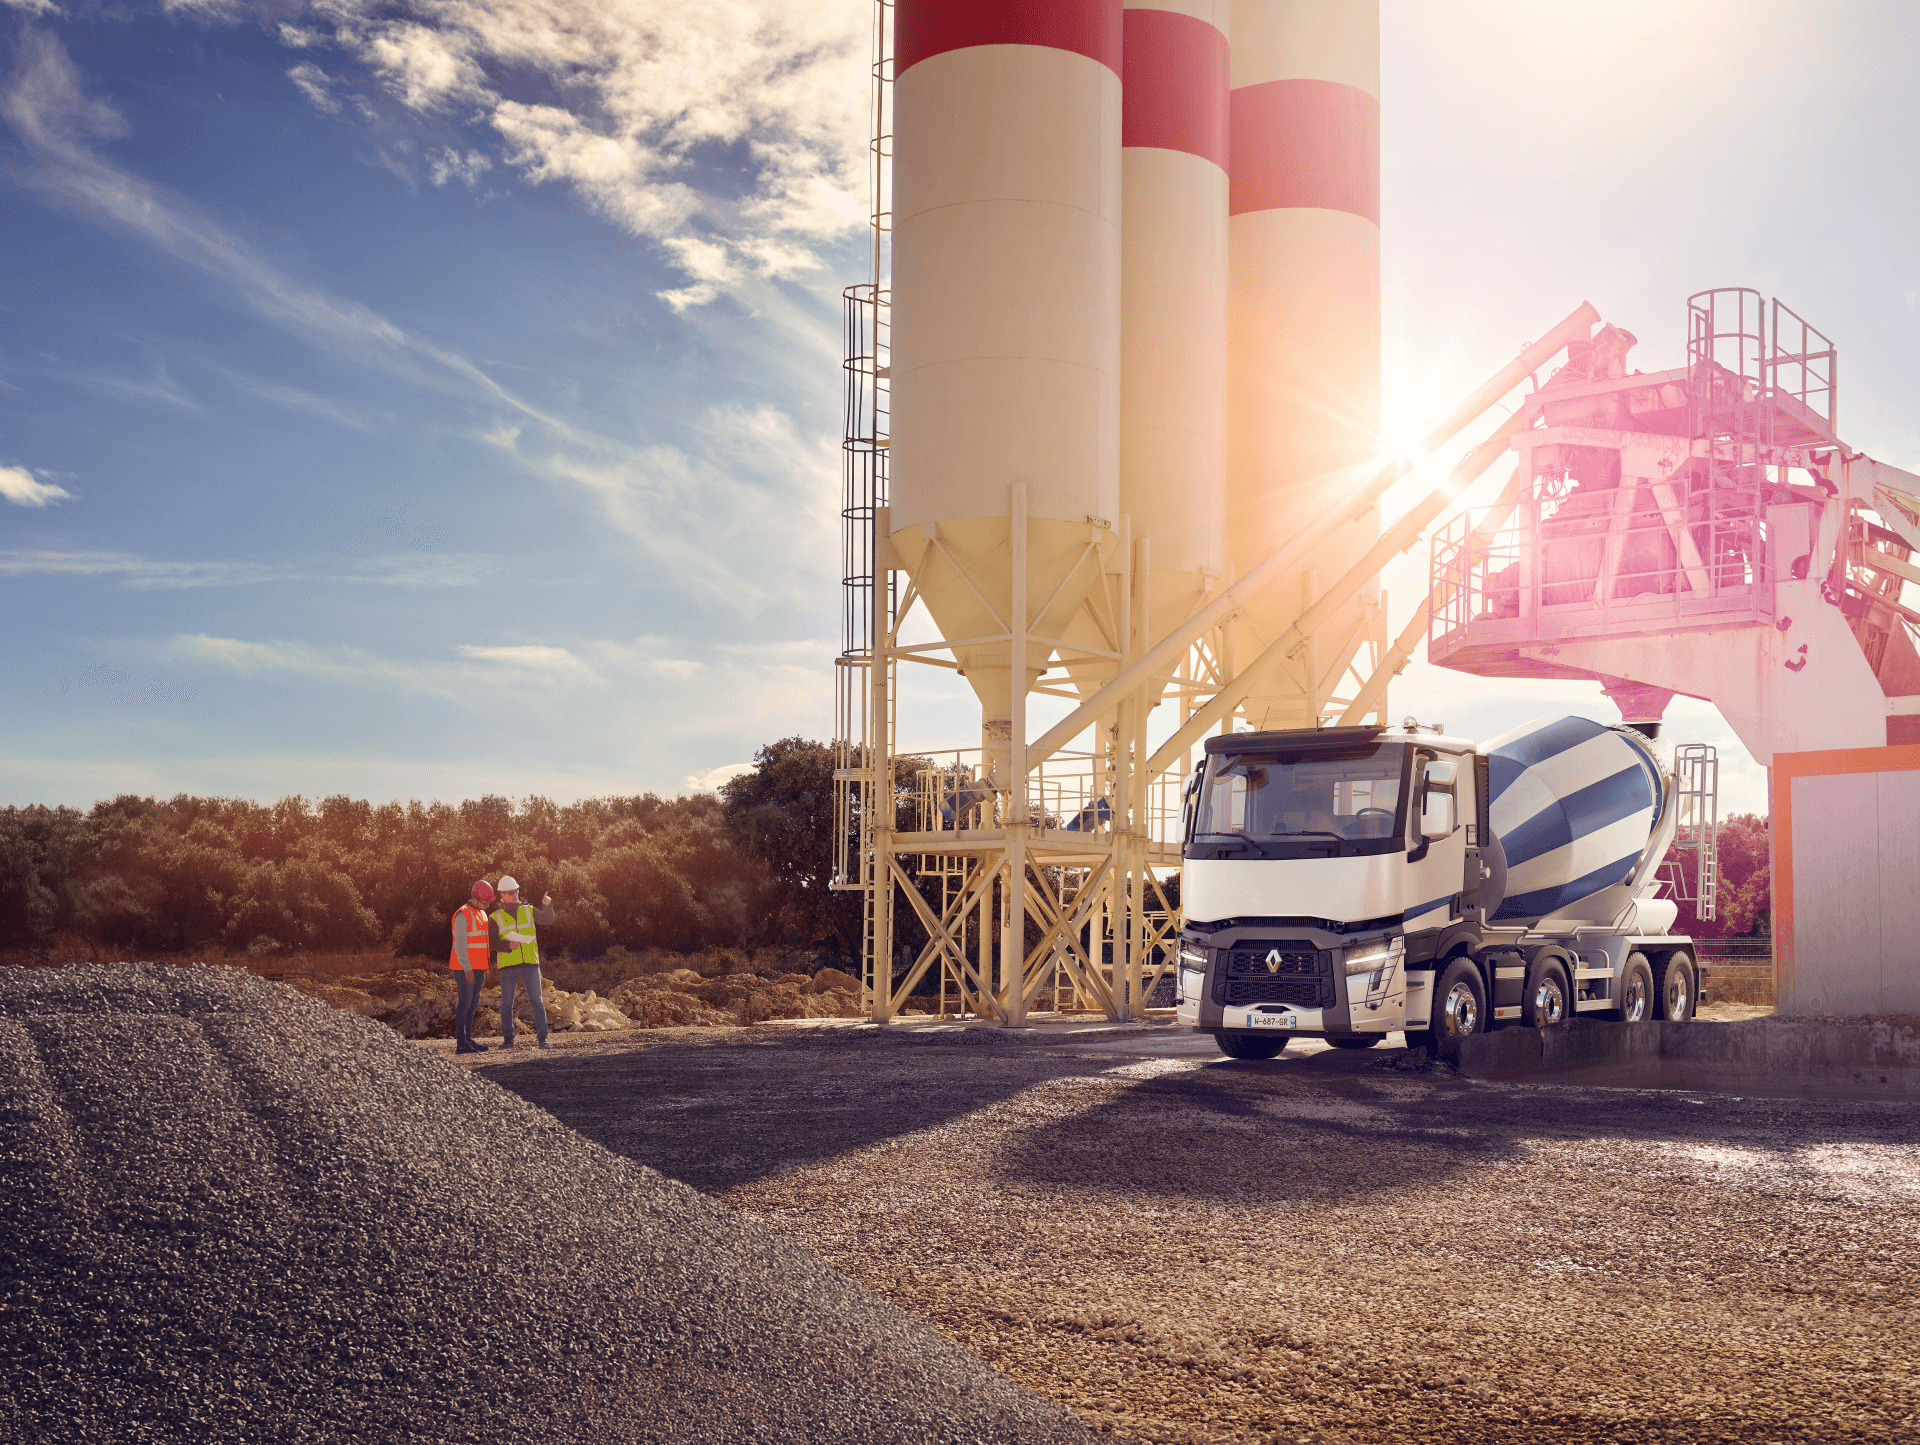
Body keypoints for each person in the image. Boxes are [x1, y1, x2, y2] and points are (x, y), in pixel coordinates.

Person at [490, 875, 555, 1050]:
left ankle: (543, 1039)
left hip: (530, 961)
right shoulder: (495, 917)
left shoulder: (529, 910)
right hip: (507, 964)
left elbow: (548, 920)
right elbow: (492, 942)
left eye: (516, 891)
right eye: (511, 892)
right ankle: (508, 1040)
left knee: (537, 1001)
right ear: (502, 895)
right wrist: (507, 945)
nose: (515, 894)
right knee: (507, 1003)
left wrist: (547, 906)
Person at [449, 880, 495, 1054]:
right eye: (485, 901)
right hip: (464, 968)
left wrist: (486, 966)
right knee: (465, 1003)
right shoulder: (463, 914)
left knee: (473, 1003)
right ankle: (461, 1044)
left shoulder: (481, 914)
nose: (488, 905)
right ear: (475, 899)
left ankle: (468, 1040)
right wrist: (467, 967)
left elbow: (483, 943)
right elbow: (460, 945)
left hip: (479, 968)